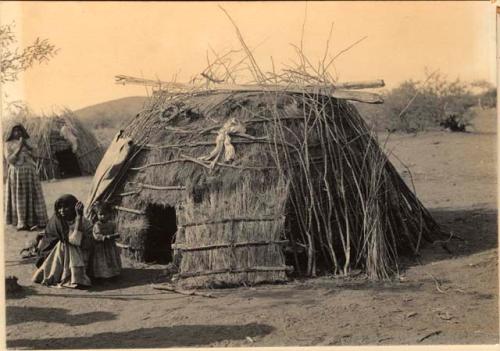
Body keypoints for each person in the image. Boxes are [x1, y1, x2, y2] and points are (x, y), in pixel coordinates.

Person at [32, 194, 94, 288]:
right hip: (48, 258)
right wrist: (79, 218)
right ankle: (76, 278)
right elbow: (75, 241)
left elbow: (89, 233)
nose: (62, 210)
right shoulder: (58, 221)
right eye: (59, 207)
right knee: (68, 244)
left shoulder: (76, 219)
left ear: (74, 207)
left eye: (66, 207)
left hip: (65, 256)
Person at [4, 124, 48, 231]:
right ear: (11, 132)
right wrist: (19, 147)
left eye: (19, 130)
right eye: (15, 131)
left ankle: (37, 221)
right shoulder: (8, 144)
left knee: (34, 195)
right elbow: (10, 160)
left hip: (30, 173)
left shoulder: (28, 142)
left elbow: (36, 154)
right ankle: (22, 222)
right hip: (17, 173)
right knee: (20, 196)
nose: (18, 133)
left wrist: (27, 146)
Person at [90, 201, 122, 279]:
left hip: (110, 246)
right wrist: (104, 237)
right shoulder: (97, 225)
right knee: (102, 261)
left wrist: (116, 235)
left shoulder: (112, 224)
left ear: (109, 214)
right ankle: (102, 276)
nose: (103, 216)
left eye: (105, 214)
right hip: (101, 247)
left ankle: (113, 274)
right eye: (101, 214)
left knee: (112, 258)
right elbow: (96, 235)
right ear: (97, 215)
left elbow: (116, 232)